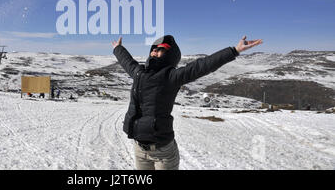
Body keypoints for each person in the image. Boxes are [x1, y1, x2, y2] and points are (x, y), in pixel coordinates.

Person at [111, 34, 263, 170]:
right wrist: (118, 48)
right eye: (153, 49)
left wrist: (234, 50)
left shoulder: (172, 76)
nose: (155, 51)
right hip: (139, 150)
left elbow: (202, 66)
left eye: (161, 49)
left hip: (163, 151)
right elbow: (127, 62)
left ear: (170, 54)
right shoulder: (139, 73)